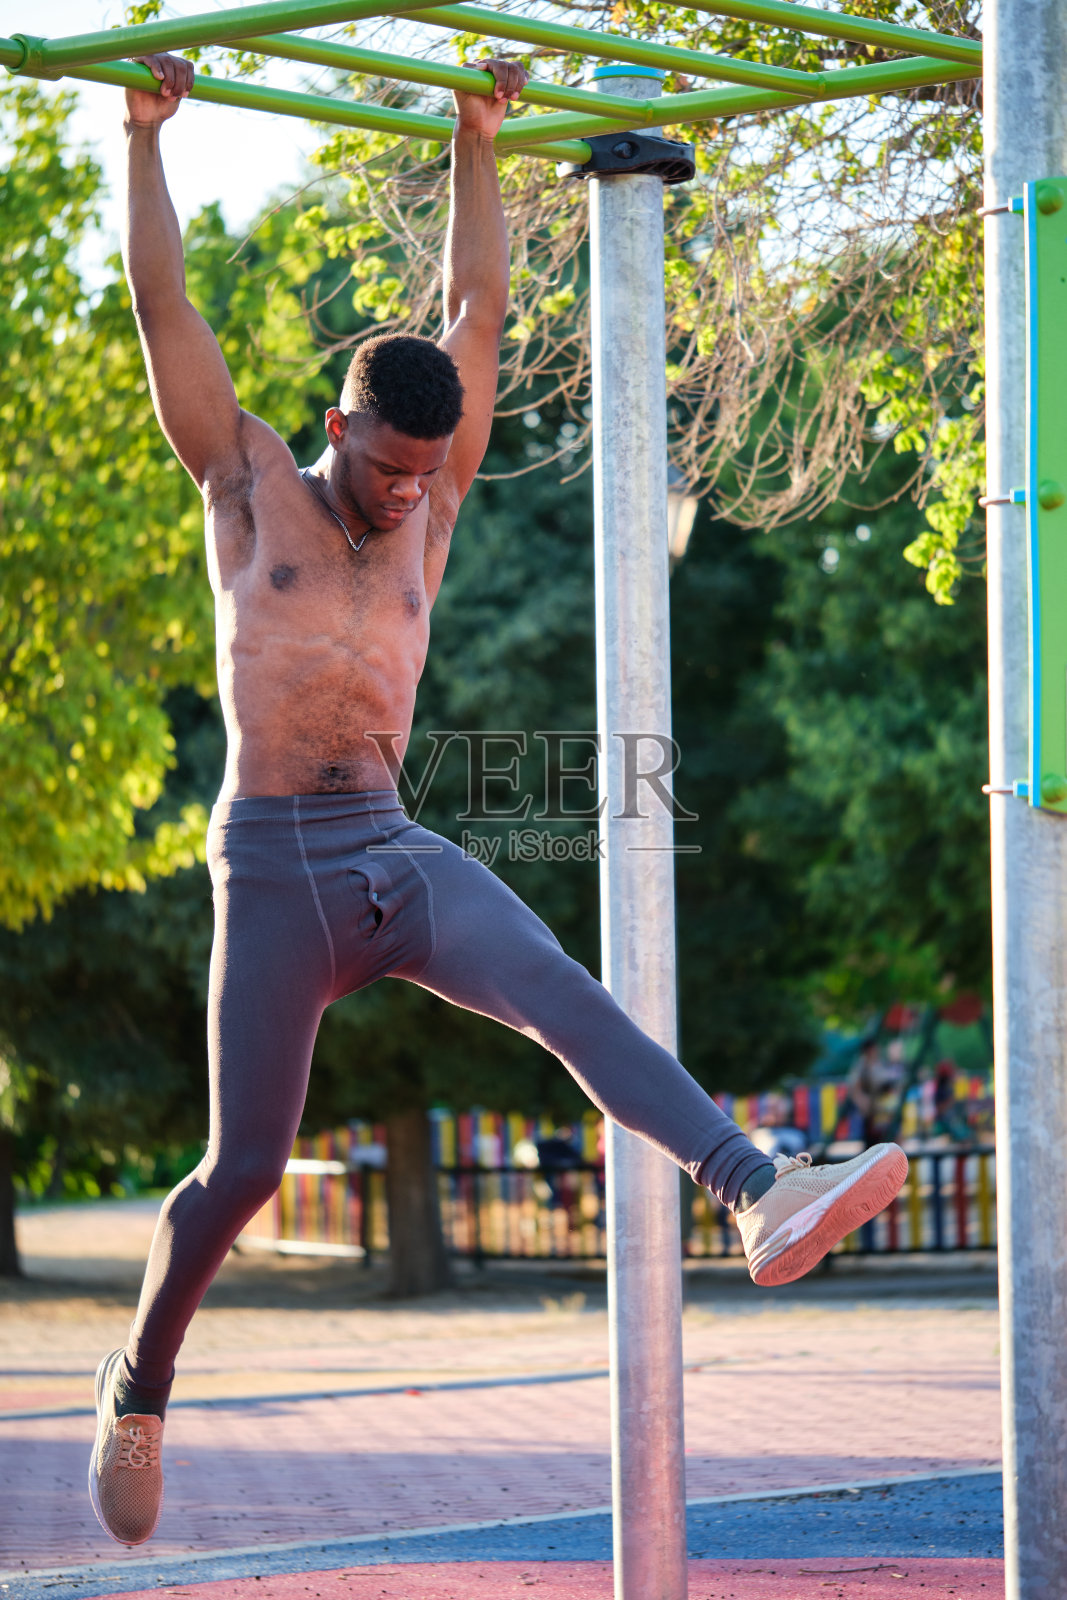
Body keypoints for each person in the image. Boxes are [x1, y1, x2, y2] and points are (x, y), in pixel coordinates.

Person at [89, 50, 908, 1548]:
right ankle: (140, 1383)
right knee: (244, 1168)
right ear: (339, 425)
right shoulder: (249, 488)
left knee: (564, 993)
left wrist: (479, 139)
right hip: (272, 864)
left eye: (427, 471)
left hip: (390, 847)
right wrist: (145, 140)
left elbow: (476, 311)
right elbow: (164, 309)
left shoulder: (435, 497)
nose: (409, 491)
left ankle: (755, 1187)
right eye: (389, 467)